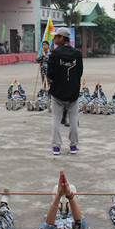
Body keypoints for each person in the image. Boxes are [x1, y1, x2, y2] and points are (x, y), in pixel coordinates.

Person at [47, 27, 83, 155]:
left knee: (56, 119)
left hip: (58, 92)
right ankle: (73, 146)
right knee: (73, 119)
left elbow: (50, 74)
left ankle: (56, 147)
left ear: (62, 38)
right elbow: (79, 73)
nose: (54, 39)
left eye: (56, 37)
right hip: (73, 92)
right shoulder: (77, 54)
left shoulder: (54, 54)